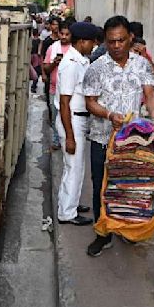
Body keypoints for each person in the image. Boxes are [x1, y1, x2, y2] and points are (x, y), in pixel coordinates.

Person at [82, 16, 154, 256]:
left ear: (130, 38)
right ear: (105, 41)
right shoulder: (96, 67)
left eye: (121, 41)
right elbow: (90, 103)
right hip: (102, 138)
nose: (116, 46)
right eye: (111, 41)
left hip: (132, 141)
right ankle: (103, 233)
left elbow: (150, 93)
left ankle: (126, 228)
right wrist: (108, 114)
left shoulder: (142, 64)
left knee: (128, 187)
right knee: (101, 188)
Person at [55, 22, 96, 226]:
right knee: (74, 168)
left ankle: (70, 203)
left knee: (75, 168)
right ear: (82, 41)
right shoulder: (71, 63)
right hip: (71, 120)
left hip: (78, 120)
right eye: (92, 42)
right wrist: (70, 136)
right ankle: (67, 213)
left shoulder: (81, 60)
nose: (94, 45)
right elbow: (64, 103)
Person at [43, 21, 72, 150]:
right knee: (55, 117)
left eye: (67, 34)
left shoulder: (74, 50)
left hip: (71, 91)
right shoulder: (52, 48)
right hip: (54, 89)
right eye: (62, 33)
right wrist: (54, 63)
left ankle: (68, 138)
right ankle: (56, 139)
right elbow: (46, 68)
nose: (64, 36)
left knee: (68, 116)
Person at [41, 17, 60, 121]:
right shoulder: (48, 41)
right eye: (53, 24)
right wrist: (43, 74)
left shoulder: (63, 42)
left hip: (59, 76)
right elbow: (42, 58)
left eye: (57, 24)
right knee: (50, 98)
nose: (55, 27)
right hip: (50, 74)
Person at [31, 28, 42, 93]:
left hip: (30, 56)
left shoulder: (30, 40)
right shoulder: (39, 41)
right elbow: (39, 51)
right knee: (36, 72)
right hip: (36, 57)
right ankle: (34, 86)